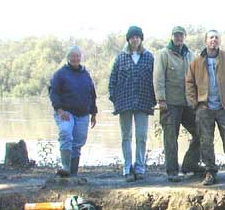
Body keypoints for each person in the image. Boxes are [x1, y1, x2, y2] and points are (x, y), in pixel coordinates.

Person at [185, 30, 225, 186]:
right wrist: (195, 103)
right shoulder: (197, 62)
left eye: (216, 38)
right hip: (204, 108)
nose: (214, 40)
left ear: (220, 41)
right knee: (206, 142)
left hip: (224, 107)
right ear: (206, 41)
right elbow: (189, 83)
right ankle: (210, 172)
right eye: (211, 37)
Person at [154, 26, 203, 182]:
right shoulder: (164, 55)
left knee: (201, 131)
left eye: (181, 36)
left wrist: (197, 100)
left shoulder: (191, 55)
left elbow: (197, 79)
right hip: (170, 104)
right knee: (170, 137)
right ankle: (172, 171)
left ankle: (190, 164)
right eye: (176, 36)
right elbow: (158, 78)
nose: (178, 38)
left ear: (184, 37)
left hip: (188, 103)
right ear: (172, 37)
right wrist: (161, 100)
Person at [108, 26, 156, 182]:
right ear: (128, 39)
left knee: (141, 136)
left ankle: (140, 167)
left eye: (137, 37)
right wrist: (114, 98)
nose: (135, 40)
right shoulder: (120, 57)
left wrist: (154, 99)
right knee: (126, 137)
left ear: (141, 39)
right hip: (124, 103)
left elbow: (155, 80)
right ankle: (127, 168)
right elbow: (112, 80)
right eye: (132, 37)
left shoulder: (149, 57)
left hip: (143, 101)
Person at [49, 46, 97, 177]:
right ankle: (65, 166)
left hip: (83, 113)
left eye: (77, 56)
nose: (75, 58)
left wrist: (94, 113)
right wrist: (59, 110)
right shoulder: (60, 74)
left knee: (78, 142)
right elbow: (53, 92)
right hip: (66, 112)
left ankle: (73, 172)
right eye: (72, 56)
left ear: (80, 58)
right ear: (68, 58)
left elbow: (92, 94)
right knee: (65, 132)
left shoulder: (85, 74)